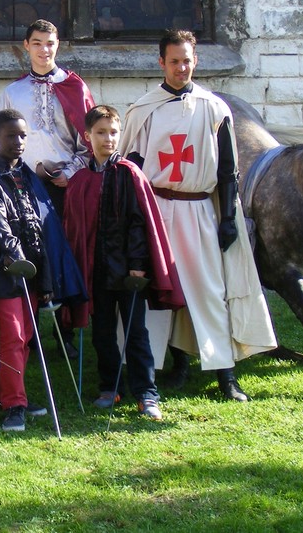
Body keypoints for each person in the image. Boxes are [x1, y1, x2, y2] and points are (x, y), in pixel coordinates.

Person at [119, 29, 276, 402]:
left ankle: (226, 374)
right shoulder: (145, 109)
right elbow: (132, 169)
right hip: (157, 211)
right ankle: (165, 368)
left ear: (195, 61)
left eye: (187, 60)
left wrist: (226, 219)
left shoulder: (214, 108)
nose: (181, 67)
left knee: (208, 290)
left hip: (199, 210)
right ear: (161, 62)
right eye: (174, 61)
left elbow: (227, 168)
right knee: (160, 292)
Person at [0, 109, 86, 432]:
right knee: (12, 337)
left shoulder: (30, 179)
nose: (18, 142)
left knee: (26, 338)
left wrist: (47, 275)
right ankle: (14, 404)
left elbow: (43, 228)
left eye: (23, 135)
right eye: (11, 136)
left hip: (34, 273)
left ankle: (12, 393)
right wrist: (15, 255)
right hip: (7, 272)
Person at [63, 106, 186, 421]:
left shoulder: (130, 173)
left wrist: (137, 264)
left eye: (113, 132)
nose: (108, 139)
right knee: (102, 331)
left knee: (135, 332)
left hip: (129, 271)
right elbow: (76, 230)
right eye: (101, 133)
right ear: (88, 136)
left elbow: (138, 222)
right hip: (97, 270)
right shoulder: (80, 180)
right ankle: (109, 386)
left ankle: (146, 393)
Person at [0, 19, 95, 360]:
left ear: (58, 46)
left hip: (65, 186)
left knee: (63, 257)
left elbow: (89, 141)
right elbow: (3, 142)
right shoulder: (13, 92)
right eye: (37, 43)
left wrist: (71, 171)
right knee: (32, 257)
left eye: (50, 43)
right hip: (25, 186)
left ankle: (65, 333)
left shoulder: (74, 87)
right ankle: (32, 334)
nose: (44, 50)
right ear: (26, 45)